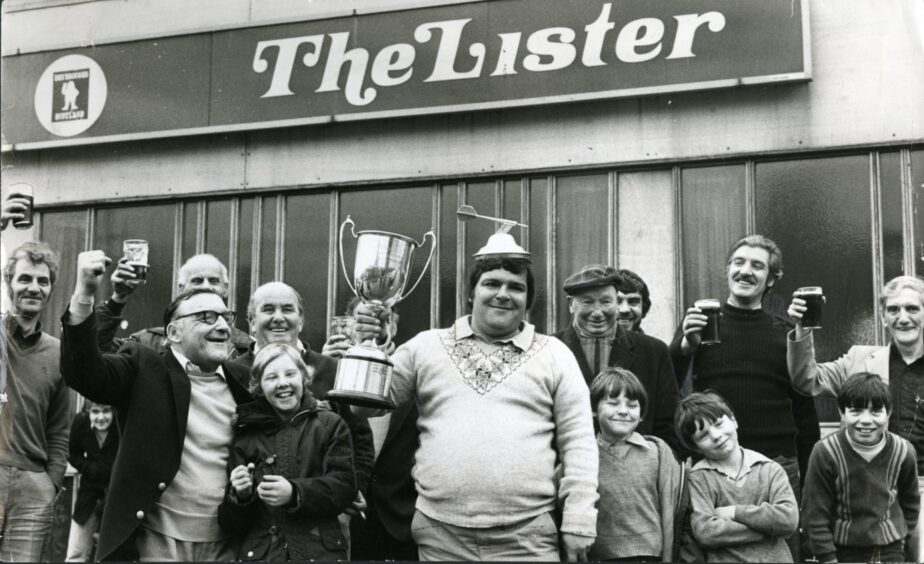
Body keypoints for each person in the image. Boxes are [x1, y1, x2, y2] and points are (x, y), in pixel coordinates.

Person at [354, 247, 598, 561]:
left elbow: (579, 442)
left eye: (516, 287)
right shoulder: (425, 346)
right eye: (492, 283)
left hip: (528, 539)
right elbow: (365, 406)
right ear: (471, 293)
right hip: (440, 537)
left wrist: (579, 520)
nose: (503, 294)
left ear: (528, 299)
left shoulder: (555, 354)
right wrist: (366, 347)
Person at [61, 250, 252, 561]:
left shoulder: (244, 380)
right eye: (205, 316)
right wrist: (84, 292)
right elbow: (84, 372)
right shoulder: (143, 366)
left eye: (225, 317)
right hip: (157, 543)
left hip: (227, 542)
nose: (221, 326)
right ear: (173, 333)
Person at [669, 235, 819, 505]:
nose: (745, 271)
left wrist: (809, 478)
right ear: (728, 269)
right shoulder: (700, 324)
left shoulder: (784, 332)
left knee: (780, 546)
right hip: (714, 464)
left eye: (757, 266)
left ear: (771, 279)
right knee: (717, 541)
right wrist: (684, 348)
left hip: (777, 464)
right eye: (738, 262)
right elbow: (670, 388)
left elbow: (805, 412)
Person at [787, 274, 924, 560]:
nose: (903, 317)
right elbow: (806, 379)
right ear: (884, 318)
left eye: (912, 308)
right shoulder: (860, 358)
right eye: (893, 310)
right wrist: (802, 328)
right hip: (873, 499)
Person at [218, 344, 356, 561]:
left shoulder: (330, 424)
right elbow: (231, 524)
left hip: (319, 552)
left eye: (290, 374)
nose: (283, 383)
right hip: (265, 554)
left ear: (304, 378)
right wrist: (240, 496)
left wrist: (295, 493)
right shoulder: (247, 436)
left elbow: (344, 487)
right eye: (271, 377)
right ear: (259, 387)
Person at [555, 264, 680, 449]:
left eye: (606, 302)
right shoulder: (548, 351)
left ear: (616, 302)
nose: (597, 312)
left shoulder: (654, 352)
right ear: (571, 304)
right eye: (587, 302)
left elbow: (669, 428)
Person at [0, 240, 70, 562]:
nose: (34, 288)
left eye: (43, 281)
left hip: (33, 488)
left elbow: (58, 430)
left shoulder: (58, 352)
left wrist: (51, 484)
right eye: (25, 278)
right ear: (8, 283)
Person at [802, 373, 919, 563]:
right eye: (856, 411)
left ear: (888, 413)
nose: (865, 420)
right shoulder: (826, 452)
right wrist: (828, 557)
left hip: (890, 549)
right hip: (842, 551)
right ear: (842, 412)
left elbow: (911, 503)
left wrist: (902, 540)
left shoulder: (903, 451)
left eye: (876, 411)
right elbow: (814, 516)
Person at [676, 391, 799, 563]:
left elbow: (788, 520)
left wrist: (733, 512)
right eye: (703, 435)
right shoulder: (699, 478)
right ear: (695, 447)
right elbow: (706, 532)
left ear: (734, 420)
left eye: (718, 424)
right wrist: (767, 528)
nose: (716, 436)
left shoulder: (770, 469)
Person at [588, 367, 680, 561]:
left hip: (652, 555)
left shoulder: (656, 451)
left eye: (632, 405)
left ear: (641, 413)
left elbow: (671, 511)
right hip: (601, 557)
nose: (623, 411)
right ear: (594, 409)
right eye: (613, 403)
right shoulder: (582, 454)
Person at [96, 253, 252, 356]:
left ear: (225, 289)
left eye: (214, 280)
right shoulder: (148, 342)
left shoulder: (246, 348)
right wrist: (117, 299)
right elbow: (94, 353)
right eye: (197, 280)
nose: (206, 286)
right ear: (181, 289)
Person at [66, 402, 119, 562]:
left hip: (116, 496)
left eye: (106, 411)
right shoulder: (80, 424)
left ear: (114, 412)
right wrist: (87, 467)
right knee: (76, 553)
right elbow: (73, 454)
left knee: (110, 555)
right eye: (95, 412)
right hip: (88, 495)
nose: (101, 417)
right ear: (88, 413)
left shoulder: (121, 426)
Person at [616, 268, 652, 333]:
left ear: (644, 307)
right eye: (617, 301)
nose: (624, 310)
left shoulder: (654, 343)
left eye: (633, 302)